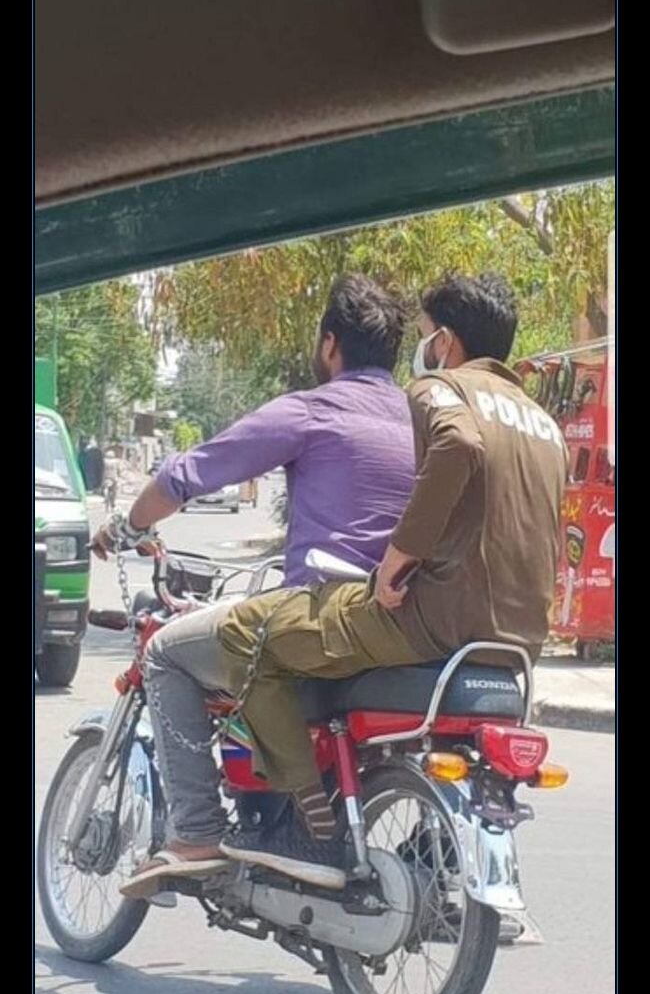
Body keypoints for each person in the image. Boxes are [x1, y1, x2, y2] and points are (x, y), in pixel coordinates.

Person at [203, 271, 567, 891]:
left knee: (251, 635)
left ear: (446, 340)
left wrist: (396, 561)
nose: (420, 351)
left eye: (424, 336)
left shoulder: (441, 389)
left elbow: (456, 448)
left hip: (431, 621)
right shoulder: (545, 425)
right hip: (517, 640)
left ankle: (306, 828)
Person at [90, 275, 416, 897]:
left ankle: (197, 830)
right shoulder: (421, 418)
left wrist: (127, 524)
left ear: (329, 346)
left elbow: (191, 472)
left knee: (165, 654)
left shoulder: (315, 408)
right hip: (404, 618)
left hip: (324, 612)